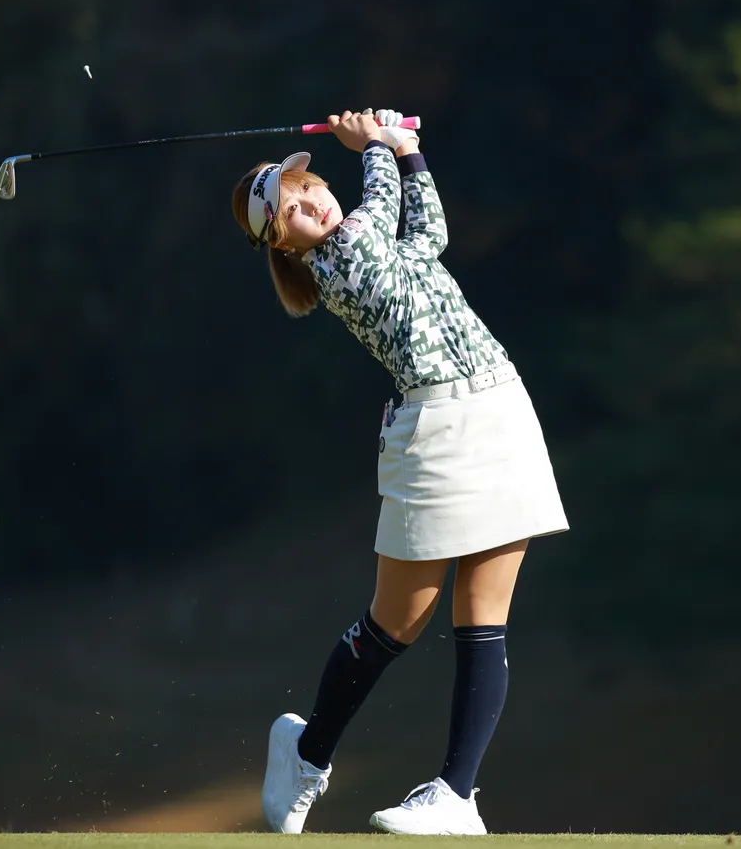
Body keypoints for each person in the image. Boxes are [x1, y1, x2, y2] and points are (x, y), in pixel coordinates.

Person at [227, 108, 569, 836]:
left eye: (308, 186)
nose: (311, 203)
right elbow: (379, 214)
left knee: (484, 615)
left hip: (502, 405)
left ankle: (456, 795)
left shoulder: (371, 244)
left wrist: (410, 154)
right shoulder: (340, 259)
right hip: (434, 428)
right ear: (282, 243)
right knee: (398, 621)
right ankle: (307, 753)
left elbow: (429, 235)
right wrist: (377, 145)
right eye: (291, 210)